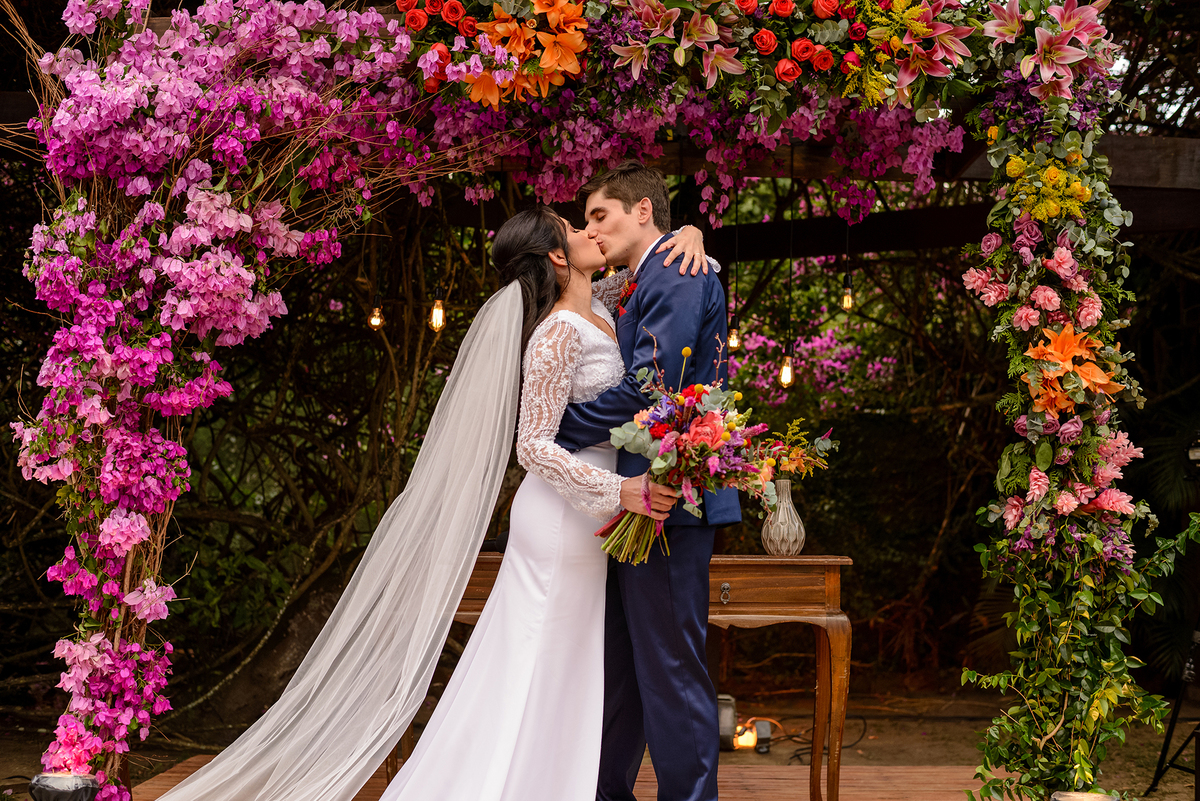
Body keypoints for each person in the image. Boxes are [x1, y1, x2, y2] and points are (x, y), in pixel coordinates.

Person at [154, 205, 713, 801]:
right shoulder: (553, 334)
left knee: (562, 664)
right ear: (556, 256)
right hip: (561, 517)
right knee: (539, 661)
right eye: (576, 229)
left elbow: (656, 262)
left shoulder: (602, 304)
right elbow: (531, 447)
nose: (590, 232)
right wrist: (617, 490)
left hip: (592, 516)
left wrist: (693, 233)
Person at [555, 162, 741, 801]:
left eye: (599, 215)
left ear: (641, 211)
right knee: (631, 666)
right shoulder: (645, 276)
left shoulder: (676, 273)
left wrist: (561, 427)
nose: (591, 230)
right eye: (584, 222)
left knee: (668, 665)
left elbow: (651, 389)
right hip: (640, 493)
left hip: (671, 493)